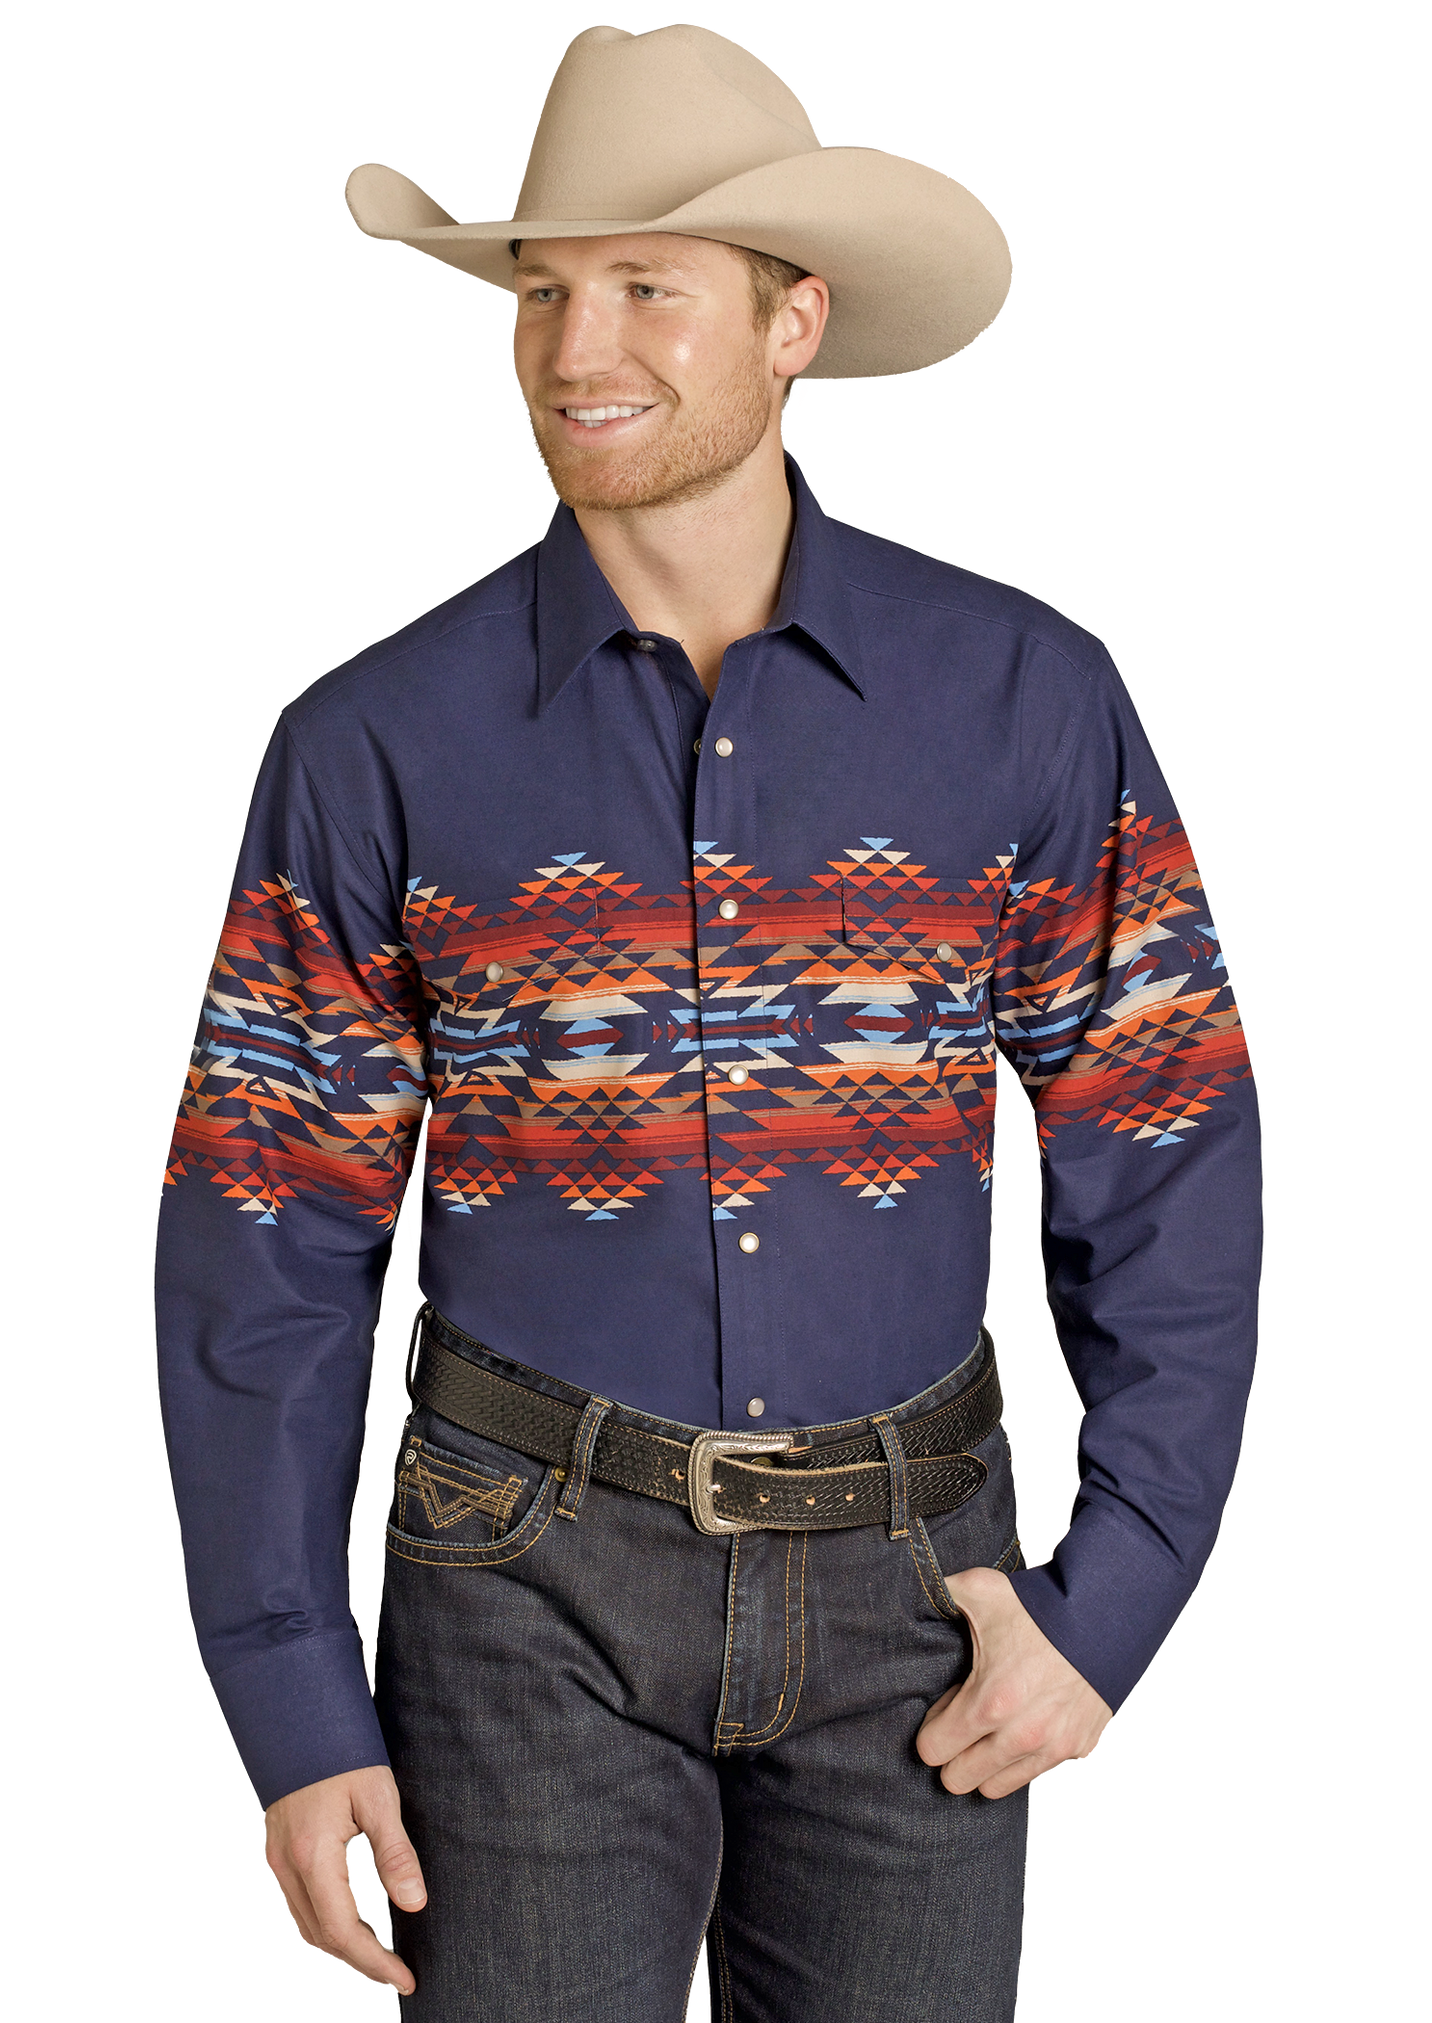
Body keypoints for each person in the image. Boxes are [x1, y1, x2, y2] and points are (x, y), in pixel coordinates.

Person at [153, 22, 1263, 2020]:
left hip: (926, 1594)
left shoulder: (1023, 693)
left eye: (646, 290)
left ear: (791, 323)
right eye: (542, 291)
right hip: (513, 1590)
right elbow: (264, 1239)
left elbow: (1163, 1149)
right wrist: (290, 1693)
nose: (578, 352)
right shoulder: (365, 744)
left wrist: (1109, 1605)